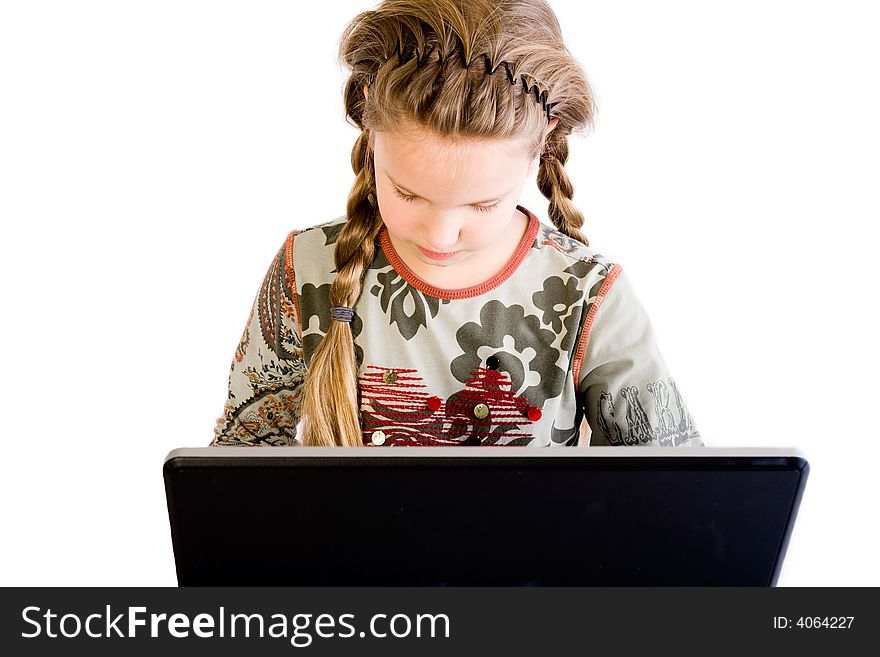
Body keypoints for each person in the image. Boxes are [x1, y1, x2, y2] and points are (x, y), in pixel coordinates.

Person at [211, 0, 703, 448]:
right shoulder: (308, 270)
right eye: (407, 193)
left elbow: (677, 496)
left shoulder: (594, 295)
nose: (440, 235)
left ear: (544, 140)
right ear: (367, 112)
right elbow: (238, 465)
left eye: (484, 204)